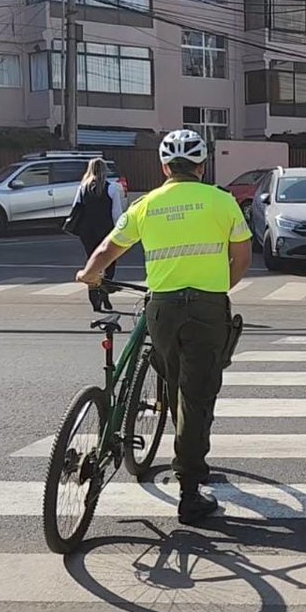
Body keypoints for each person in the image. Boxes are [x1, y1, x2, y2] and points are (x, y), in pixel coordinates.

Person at [76, 130, 253, 524]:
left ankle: (175, 443)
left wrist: (90, 274)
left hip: (163, 309)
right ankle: (190, 490)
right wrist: (219, 286)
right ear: (202, 166)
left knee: (174, 385)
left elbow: (108, 247)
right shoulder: (222, 201)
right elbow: (242, 257)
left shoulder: (147, 204)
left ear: (163, 167)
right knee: (197, 396)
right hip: (207, 309)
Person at [66, 158, 125, 311]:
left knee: (92, 261)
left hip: (87, 231)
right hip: (105, 230)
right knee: (109, 261)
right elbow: (116, 213)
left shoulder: (83, 188)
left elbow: (76, 208)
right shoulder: (111, 188)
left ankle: (94, 299)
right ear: (105, 171)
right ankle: (105, 291)